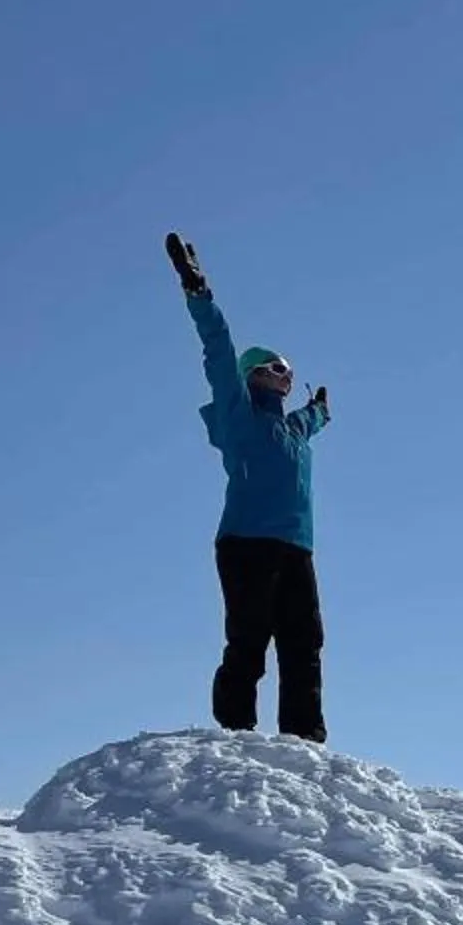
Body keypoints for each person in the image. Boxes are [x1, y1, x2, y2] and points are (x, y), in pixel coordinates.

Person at [167, 232, 333, 742]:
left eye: (290, 370)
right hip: (246, 542)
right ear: (255, 373)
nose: (287, 375)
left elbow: (311, 419)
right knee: (249, 639)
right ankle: (236, 733)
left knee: (304, 643)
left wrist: (322, 410)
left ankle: (303, 741)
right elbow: (219, 352)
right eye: (278, 367)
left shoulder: (291, 428)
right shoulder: (240, 416)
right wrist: (199, 295)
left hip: (297, 547)